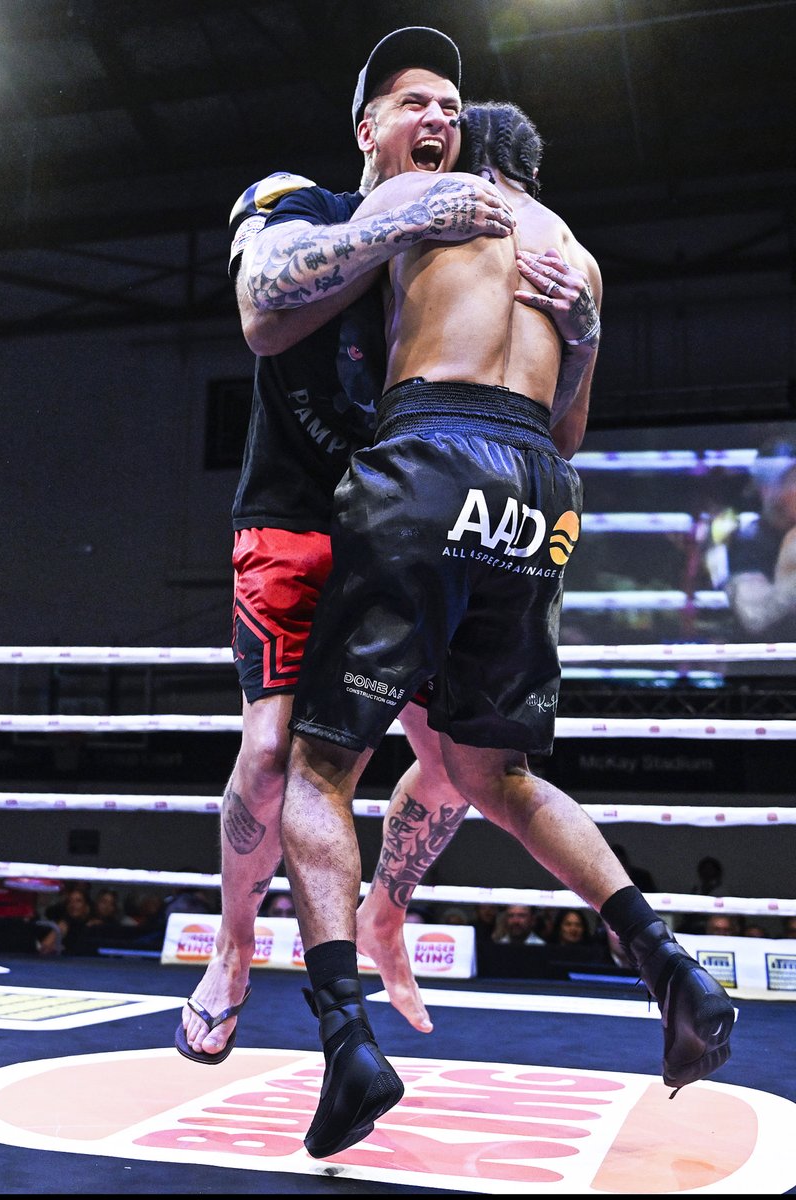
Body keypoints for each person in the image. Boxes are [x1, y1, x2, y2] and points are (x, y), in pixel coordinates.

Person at [280, 99, 736, 1157]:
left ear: (464, 152)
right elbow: (567, 426)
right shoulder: (574, 258)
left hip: (432, 455)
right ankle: (667, 964)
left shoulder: (419, 198)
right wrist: (578, 335)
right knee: (498, 775)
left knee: (320, 767)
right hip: (535, 494)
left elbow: (294, 301)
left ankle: (344, 1040)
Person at [177, 25, 518, 1065]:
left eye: (453, 111)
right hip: (289, 512)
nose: (440, 122)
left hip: (405, 532)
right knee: (271, 751)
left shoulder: (461, 252)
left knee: (458, 765)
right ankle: (232, 945)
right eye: (417, 102)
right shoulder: (299, 202)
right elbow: (260, 317)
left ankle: (384, 912)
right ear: (367, 126)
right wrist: (391, 220)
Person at [722, 438, 796, 638]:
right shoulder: (748, 543)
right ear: (768, 490)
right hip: (767, 665)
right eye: (794, 481)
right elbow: (754, 616)